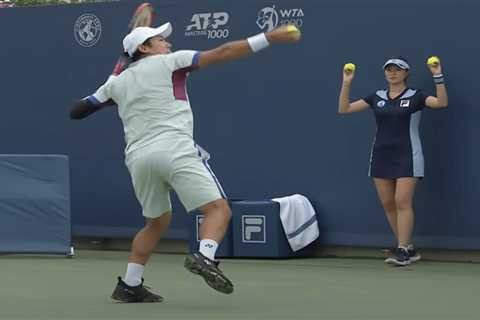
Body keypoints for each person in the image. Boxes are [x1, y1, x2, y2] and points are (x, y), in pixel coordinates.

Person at [70, 22, 301, 301]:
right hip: (174, 150)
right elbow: (223, 51)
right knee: (219, 210)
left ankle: (130, 284)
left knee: (155, 222)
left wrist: (116, 74)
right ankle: (206, 257)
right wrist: (269, 37)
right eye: (160, 40)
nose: (168, 43)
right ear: (145, 48)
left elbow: (77, 111)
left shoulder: (115, 83)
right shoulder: (171, 62)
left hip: (139, 160)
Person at [338, 56, 448, 266]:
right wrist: (347, 82)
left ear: (406, 73)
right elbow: (344, 109)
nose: (393, 72)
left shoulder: (416, 96)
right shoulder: (376, 97)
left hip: (408, 155)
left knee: (402, 202)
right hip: (381, 156)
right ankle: (407, 247)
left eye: (398, 69)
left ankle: (402, 250)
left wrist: (437, 76)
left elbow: (441, 103)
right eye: (389, 69)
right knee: (388, 204)